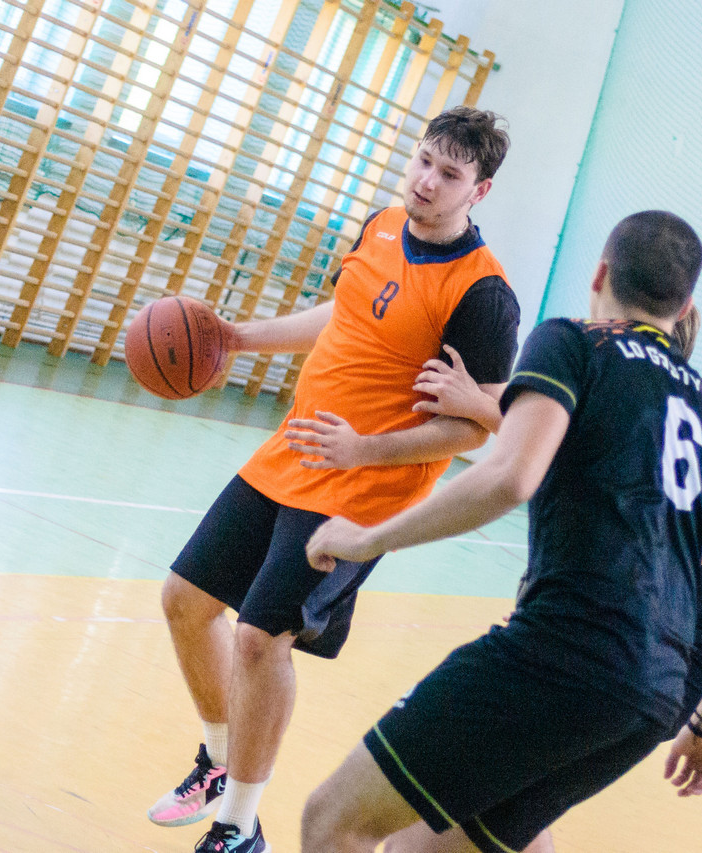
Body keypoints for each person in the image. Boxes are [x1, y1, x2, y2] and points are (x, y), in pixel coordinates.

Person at [300, 211, 702, 853]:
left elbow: (510, 478)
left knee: (333, 822)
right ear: (686, 305)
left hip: (561, 653)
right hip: (653, 699)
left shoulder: (574, 343)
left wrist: (366, 538)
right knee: (424, 848)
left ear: (600, 274)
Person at [148, 106, 520, 853]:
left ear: (478, 191)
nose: (427, 181)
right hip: (296, 451)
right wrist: (238, 338)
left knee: (261, 639)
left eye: (449, 174)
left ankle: (238, 828)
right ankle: (219, 763)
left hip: (365, 487)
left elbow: (475, 426)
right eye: (423, 161)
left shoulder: (483, 296)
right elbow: (342, 315)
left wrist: (363, 451)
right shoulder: (380, 225)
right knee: (185, 601)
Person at [383, 306, 702, 853]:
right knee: (504, 817)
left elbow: (546, 447)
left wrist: (476, 405)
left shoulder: (636, 405)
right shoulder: (650, 403)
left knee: (422, 835)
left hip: (650, 651)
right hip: (648, 655)